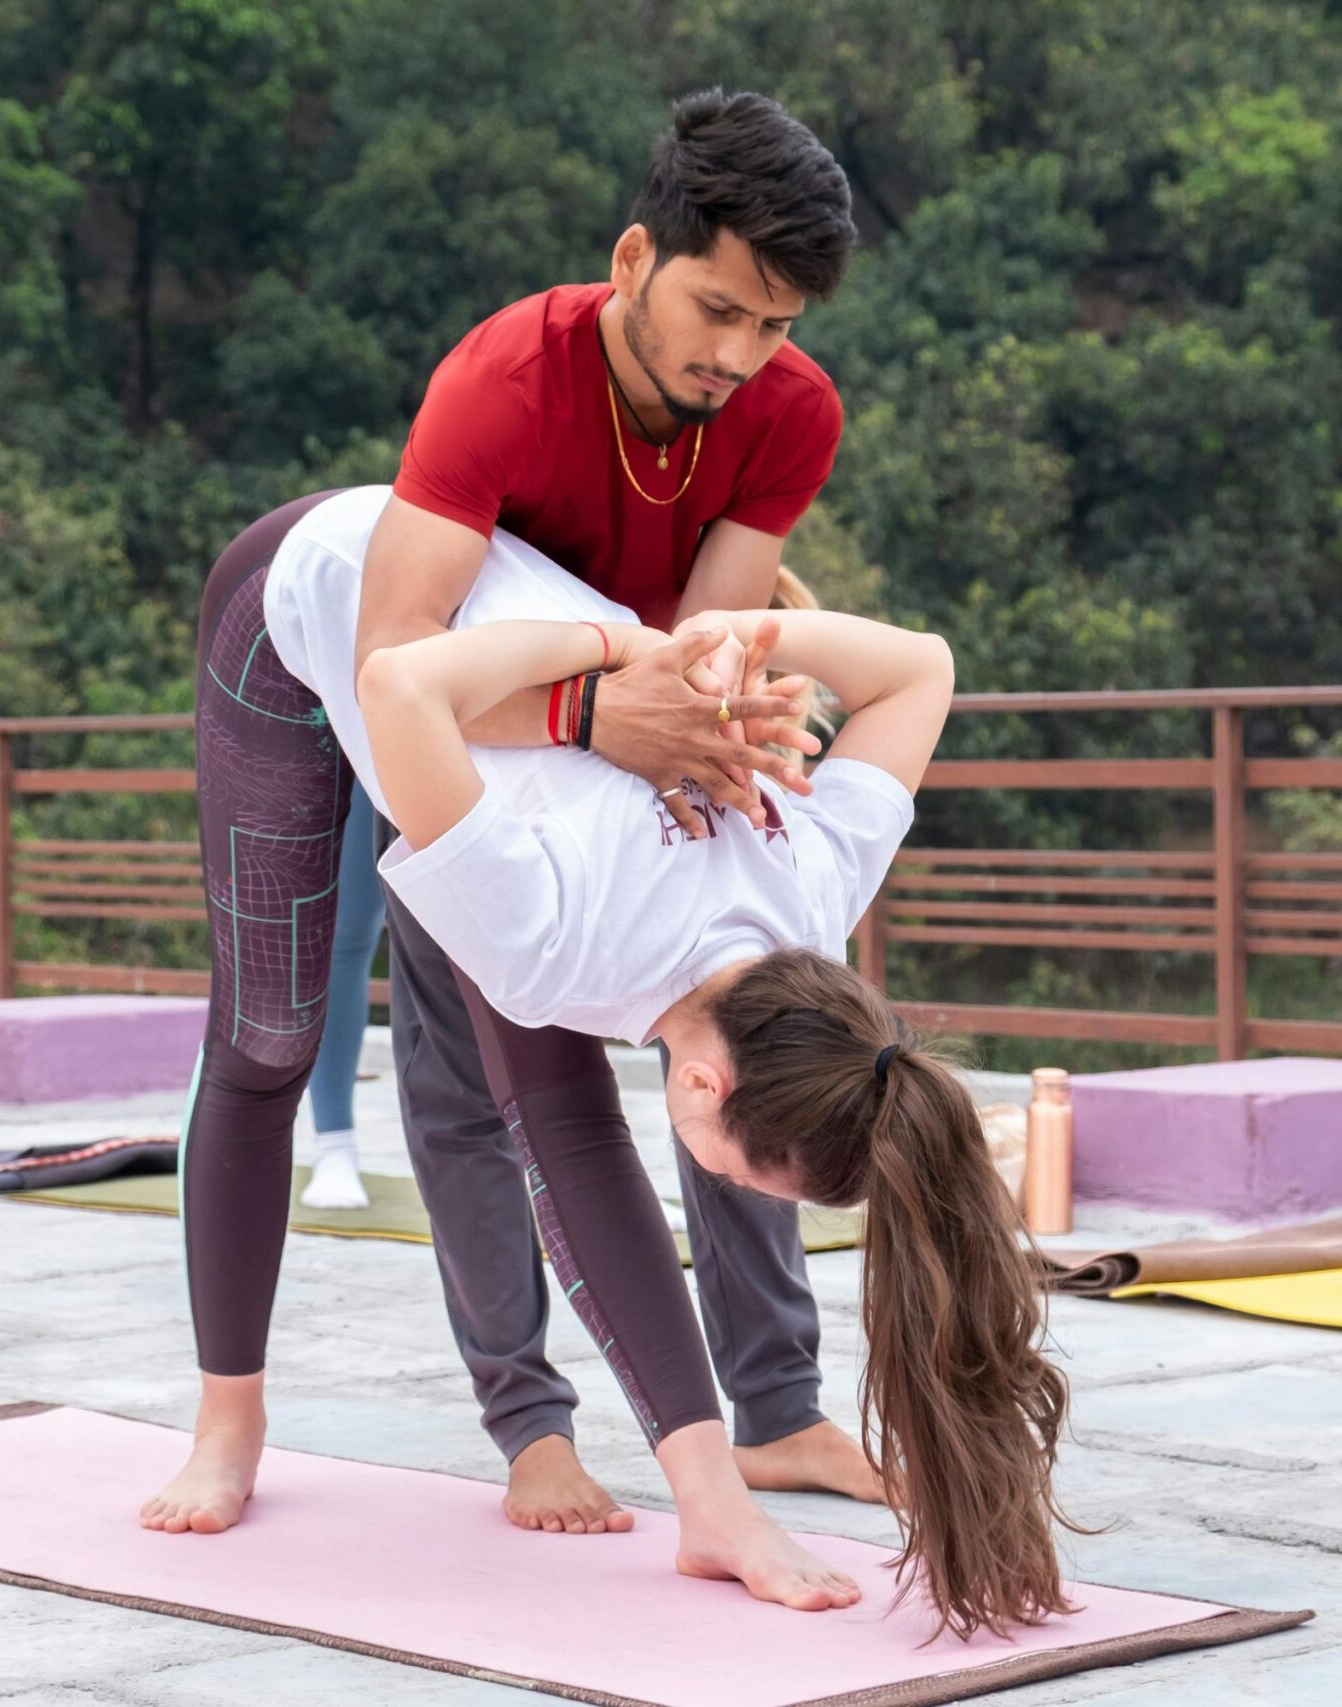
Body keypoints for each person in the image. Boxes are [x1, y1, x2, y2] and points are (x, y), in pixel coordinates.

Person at [146, 486, 1073, 1639]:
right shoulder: (555, 935)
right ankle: (226, 1423)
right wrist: (633, 652)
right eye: (744, 1174)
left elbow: (919, 670)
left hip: (480, 681)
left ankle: (713, 1503)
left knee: (555, 1120)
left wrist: (751, 639)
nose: (725, 1187)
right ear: (703, 1086)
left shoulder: (815, 902)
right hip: (319, 585)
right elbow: (394, 678)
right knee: (268, 1039)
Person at [360, 87, 878, 1535]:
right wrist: (594, 715)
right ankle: (528, 1422)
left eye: (773, 325)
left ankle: (775, 1409)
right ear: (637, 255)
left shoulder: (790, 409)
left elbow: (712, 644)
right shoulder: (500, 383)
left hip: (646, 730)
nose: (738, 354)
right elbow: (389, 667)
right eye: (716, 308)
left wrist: (755, 714)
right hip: (473, 735)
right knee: (473, 1081)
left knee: (762, 1023)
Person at [299, 791, 384, 1210]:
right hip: (351, 735)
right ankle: (334, 1144)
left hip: (475, 738)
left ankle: (488, 1140)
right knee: (346, 933)